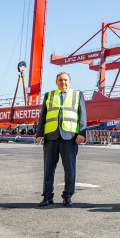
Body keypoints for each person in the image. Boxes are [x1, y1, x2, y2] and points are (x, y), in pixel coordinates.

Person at [36, 72, 87, 207]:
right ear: (56, 82)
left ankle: (67, 196)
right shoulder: (49, 95)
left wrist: (82, 133)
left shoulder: (77, 95)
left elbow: (82, 116)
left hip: (70, 137)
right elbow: (43, 116)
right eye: (60, 80)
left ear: (69, 82)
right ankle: (47, 197)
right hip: (51, 136)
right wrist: (39, 134)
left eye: (65, 80)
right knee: (48, 169)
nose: (63, 82)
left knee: (70, 169)